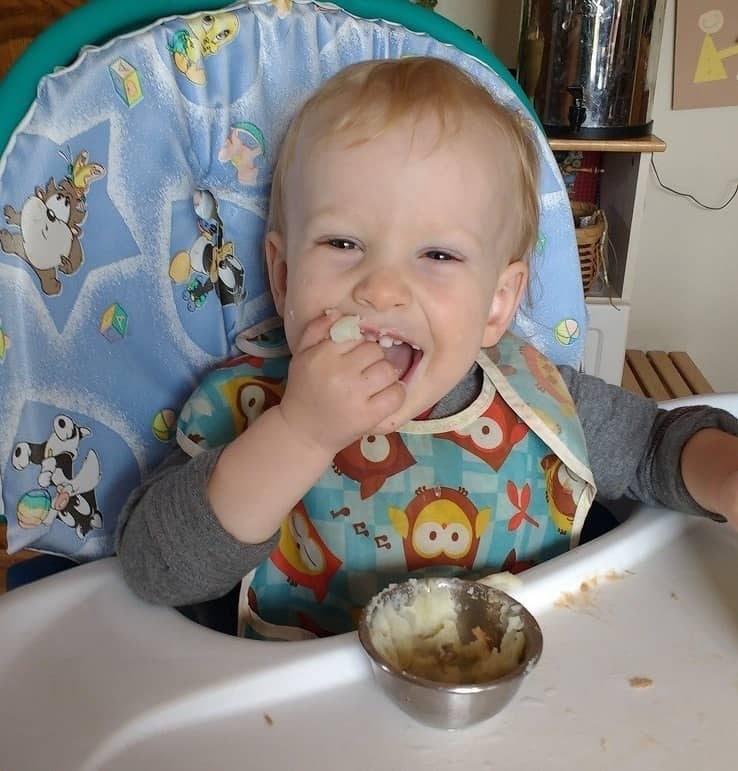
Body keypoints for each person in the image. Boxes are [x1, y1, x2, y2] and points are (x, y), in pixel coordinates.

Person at [116, 57, 738, 638]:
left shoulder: (539, 402)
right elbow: (154, 568)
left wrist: (727, 478)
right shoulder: (247, 406)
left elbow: (657, 447)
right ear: (281, 276)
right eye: (341, 243)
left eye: (438, 255)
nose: (382, 288)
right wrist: (299, 435)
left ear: (497, 302)